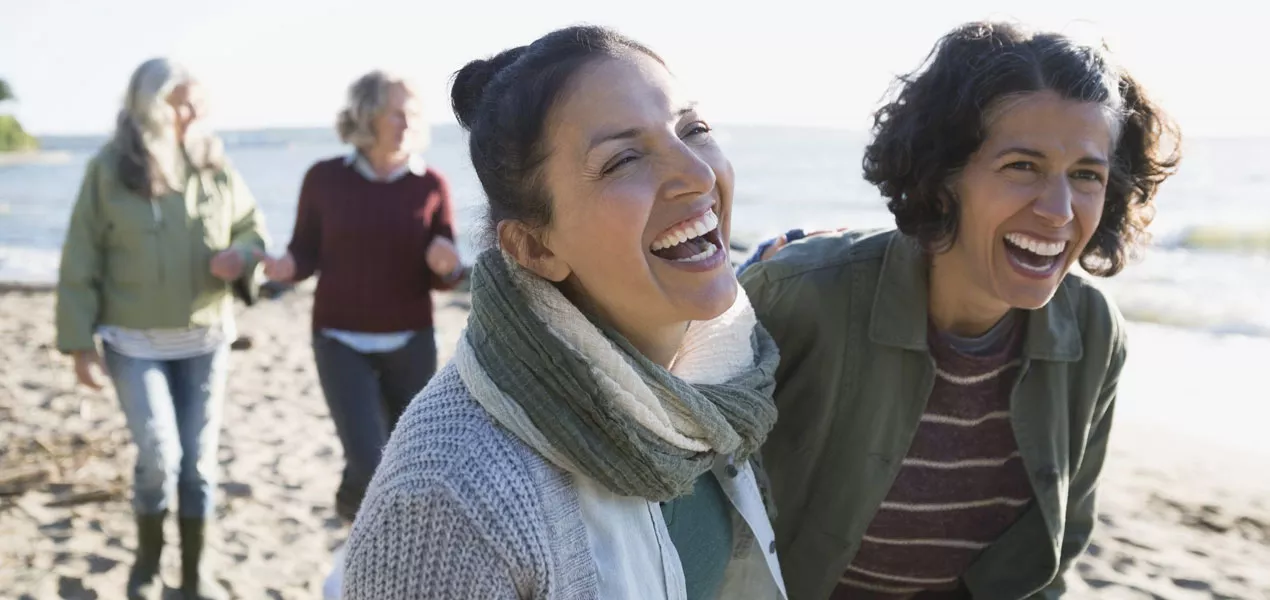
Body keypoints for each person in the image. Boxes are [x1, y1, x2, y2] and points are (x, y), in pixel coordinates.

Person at [737, 21, 1181, 599]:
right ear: (943, 174)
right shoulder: (800, 296)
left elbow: (1058, 545)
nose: (1058, 209)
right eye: (1022, 165)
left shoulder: (1095, 332)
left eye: (1086, 176)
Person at [341, 25, 787, 599]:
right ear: (535, 248)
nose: (699, 175)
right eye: (623, 159)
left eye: (692, 129)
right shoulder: (449, 494)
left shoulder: (720, 376)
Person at [56, 57, 269, 600]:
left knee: (197, 465)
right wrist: (80, 345)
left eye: (197, 100)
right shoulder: (108, 169)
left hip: (206, 339)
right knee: (159, 456)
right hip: (133, 343)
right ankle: (147, 566)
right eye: (179, 99)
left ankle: (194, 576)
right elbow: (81, 257)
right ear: (147, 104)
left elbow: (252, 228)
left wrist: (242, 257)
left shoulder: (215, 162)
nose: (192, 111)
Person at [255, 70, 462, 594]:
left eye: (413, 114)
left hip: (411, 339)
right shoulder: (325, 178)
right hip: (340, 339)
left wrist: (447, 265)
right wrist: (283, 266)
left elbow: (446, 270)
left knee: (408, 461)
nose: (408, 123)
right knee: (369, 458)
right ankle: (366, 557)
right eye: (397, 111)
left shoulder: (431, 184)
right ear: (368, 116)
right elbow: (305, 252)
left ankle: (357, 512)